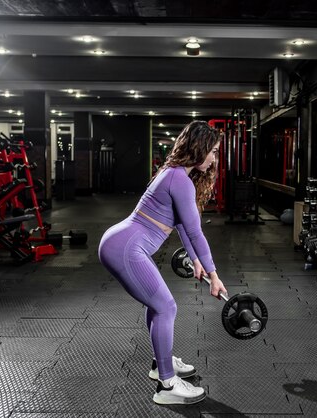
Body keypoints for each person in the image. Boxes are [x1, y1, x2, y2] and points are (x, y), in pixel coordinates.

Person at [98, 120, 227, 405]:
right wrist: (215, 276)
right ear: (200, 148)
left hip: (123, 243)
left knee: (157, 305)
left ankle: (161, 364)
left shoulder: (176, 174)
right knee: (166, 306)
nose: (215, 159)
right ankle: (167, 385)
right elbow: (195, 231)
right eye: (214, 152)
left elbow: (182, 224)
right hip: (126, 248)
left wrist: (196, 260)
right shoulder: (178, 178)